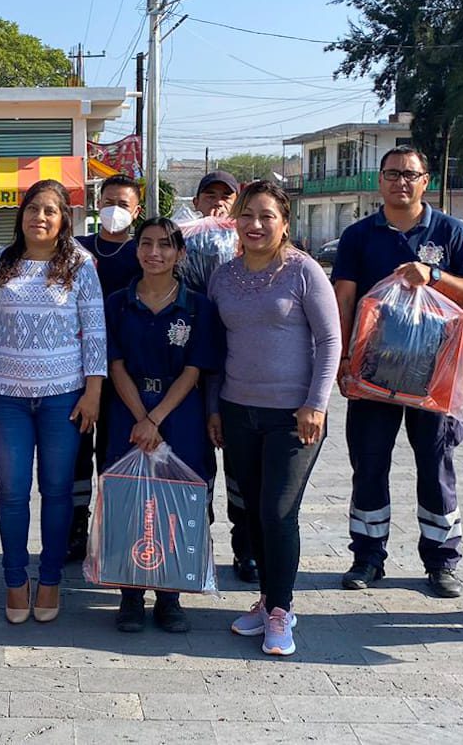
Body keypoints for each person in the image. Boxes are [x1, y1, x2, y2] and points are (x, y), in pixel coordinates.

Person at [331, 146, 463, 599]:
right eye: (392, 174)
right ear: (379, 181)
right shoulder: (359, 235)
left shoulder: (451, 231)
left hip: (434, 376)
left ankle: (441, 560)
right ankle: (367, 555)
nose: (401, 181)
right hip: (372, 373)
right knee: (369, 463)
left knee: (436, 465)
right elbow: (344, 300)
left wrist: (433, 275)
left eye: (411, 175)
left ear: (425, 181)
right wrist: (343, 361)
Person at [208, 180, 341, 656]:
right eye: (247, 215)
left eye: (266, 216)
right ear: (235, 221)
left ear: (284, 222)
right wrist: (215, 408)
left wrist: (316, 404)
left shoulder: (304, 272)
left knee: (277, 512)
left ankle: (282, 611)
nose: (255, 225)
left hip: (294, 416)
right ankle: (266, 600)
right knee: (249, 513)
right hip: (239, 410)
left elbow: (330, 342)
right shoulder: (223, 276)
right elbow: (215, 348)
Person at [0, 179, 106, 625]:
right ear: (20, 214)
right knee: (11, 492)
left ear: (64, 218)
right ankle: (14, 580)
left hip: (62, 397)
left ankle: (49, 580)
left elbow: (96, 331)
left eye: (49, 210)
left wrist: (93, 391)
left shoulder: (80, 264)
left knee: (57, 491)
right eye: (32, 208)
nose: (39, 217)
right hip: (6, 397)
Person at [104, 216, 221, 634]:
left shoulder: (197, 305)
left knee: (181, 500)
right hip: (126, 409)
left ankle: (171, 595)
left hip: (179, 411)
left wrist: (156, 418)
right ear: (136, 250)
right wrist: (140, 417)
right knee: (128, 499)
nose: (155, 253)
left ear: (180, 253)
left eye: (165, 245)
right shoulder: (118, 302)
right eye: (146, 244)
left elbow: (194, 369)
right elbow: (113, 363)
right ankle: (130, 595)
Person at [184, 169, 258, 584]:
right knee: (197, 466)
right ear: (196, 202)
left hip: (240, 372)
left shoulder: (248, 245)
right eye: (209, 195)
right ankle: (197, 544)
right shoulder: (186, 241)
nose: (217, 203)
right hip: (192, 372)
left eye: (225, 196)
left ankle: (245, 549)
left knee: (241, 468)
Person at [68, 174, 145, 562]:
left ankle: (115, 531)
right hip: (75, 369)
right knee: (76, 453)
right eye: (108, 201)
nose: (115, 209)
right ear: (98, 205)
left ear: (137, 211)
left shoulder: (144, 252)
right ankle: (75, 528)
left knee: (115, 452)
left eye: (123, 203)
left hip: (124, 370)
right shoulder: (76, 249)